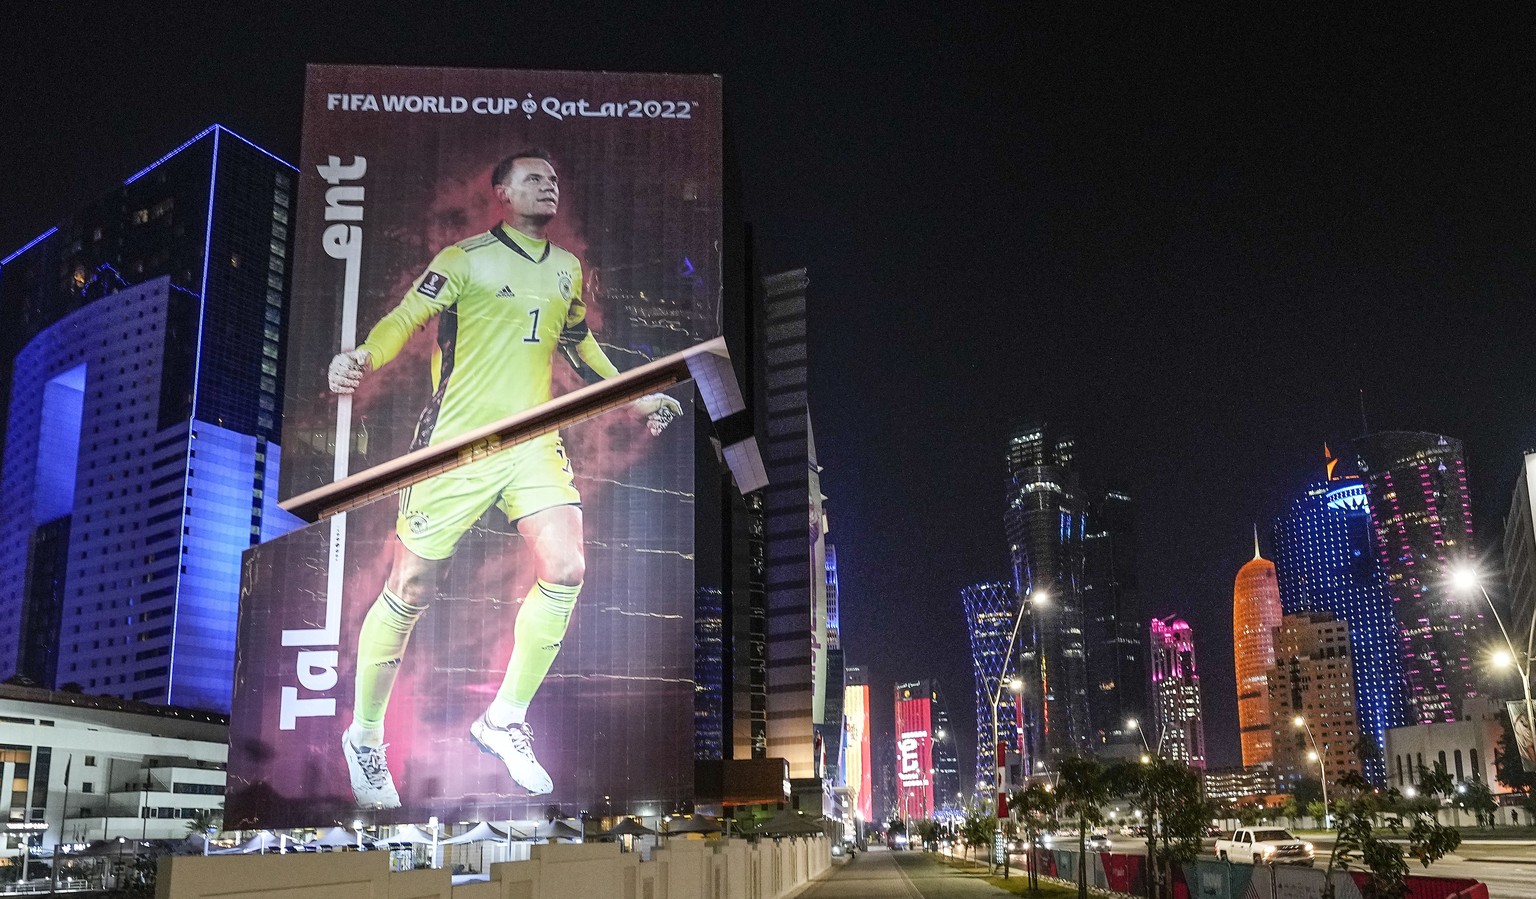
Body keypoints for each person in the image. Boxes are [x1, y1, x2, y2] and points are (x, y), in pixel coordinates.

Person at [327, 149, 682, 809]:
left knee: (568, 565)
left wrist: (637, 396)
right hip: (456, 445)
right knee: (411, 583)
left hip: (533, 444)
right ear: (500, 192)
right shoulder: (463, 259)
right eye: (532, 177)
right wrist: (361, 356)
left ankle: (503, 718)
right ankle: (365, 735)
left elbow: (580, 347)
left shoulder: (569, 270)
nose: (548, 185)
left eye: (553, 178)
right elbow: (405, 320)